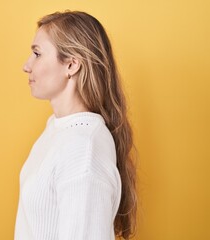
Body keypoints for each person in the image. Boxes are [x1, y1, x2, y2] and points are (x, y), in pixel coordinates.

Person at [14, 10, 137, 240]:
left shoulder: (83, 149)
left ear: (71, 65)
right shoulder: (58, 128)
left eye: (37, 54)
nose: (26, 66)